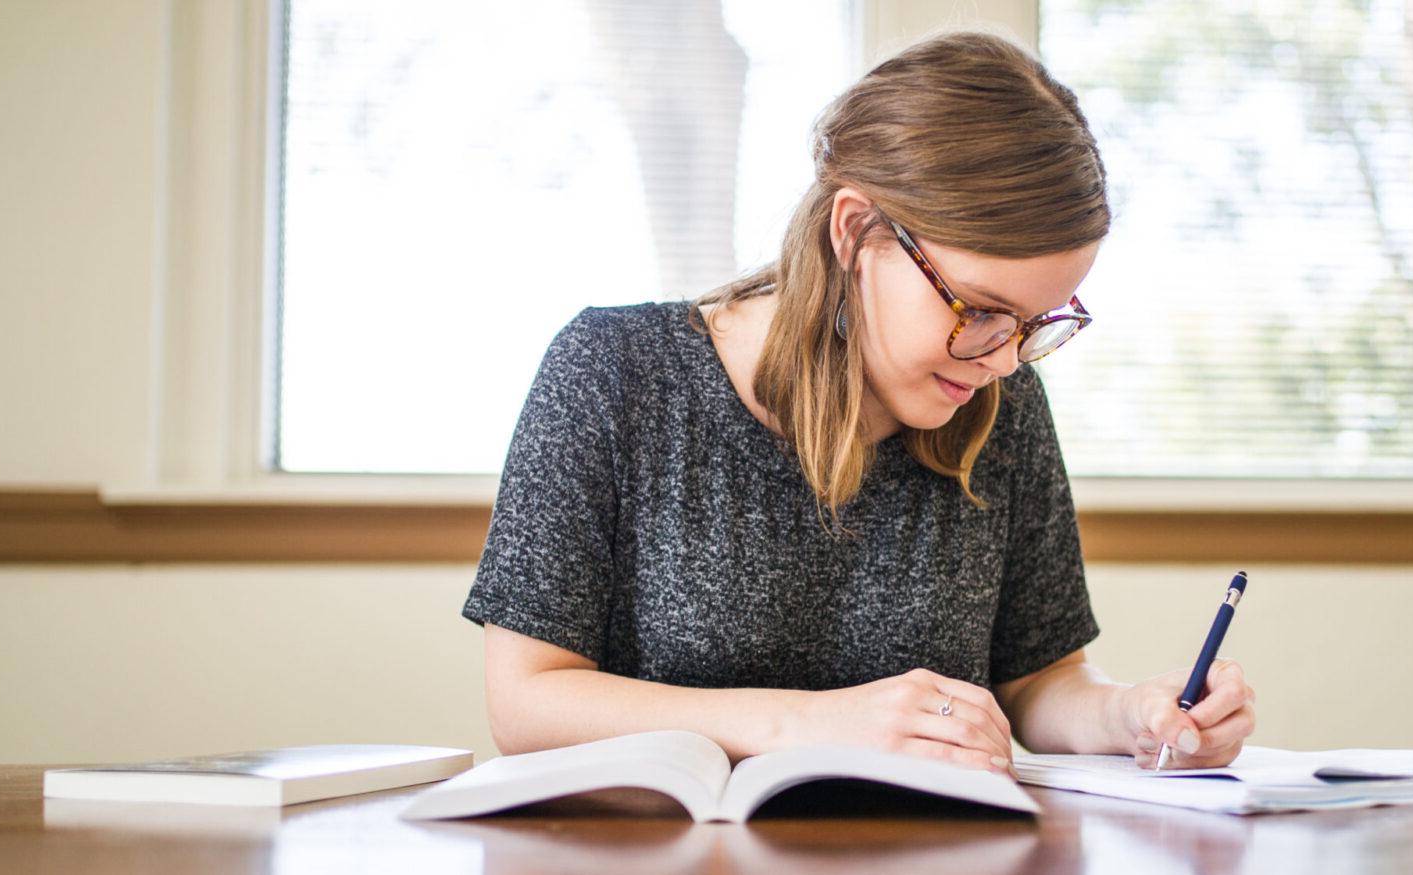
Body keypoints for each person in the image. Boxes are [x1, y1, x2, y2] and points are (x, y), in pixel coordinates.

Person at [464, 31, 1255, 777]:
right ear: (855, 231)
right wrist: (810, 723)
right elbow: (527, 699)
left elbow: (1040, 679)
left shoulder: (1001, 402)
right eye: (976, 308)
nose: (1005, 358)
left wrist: (1133, 716)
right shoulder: (614, 372)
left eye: (1033, 323)